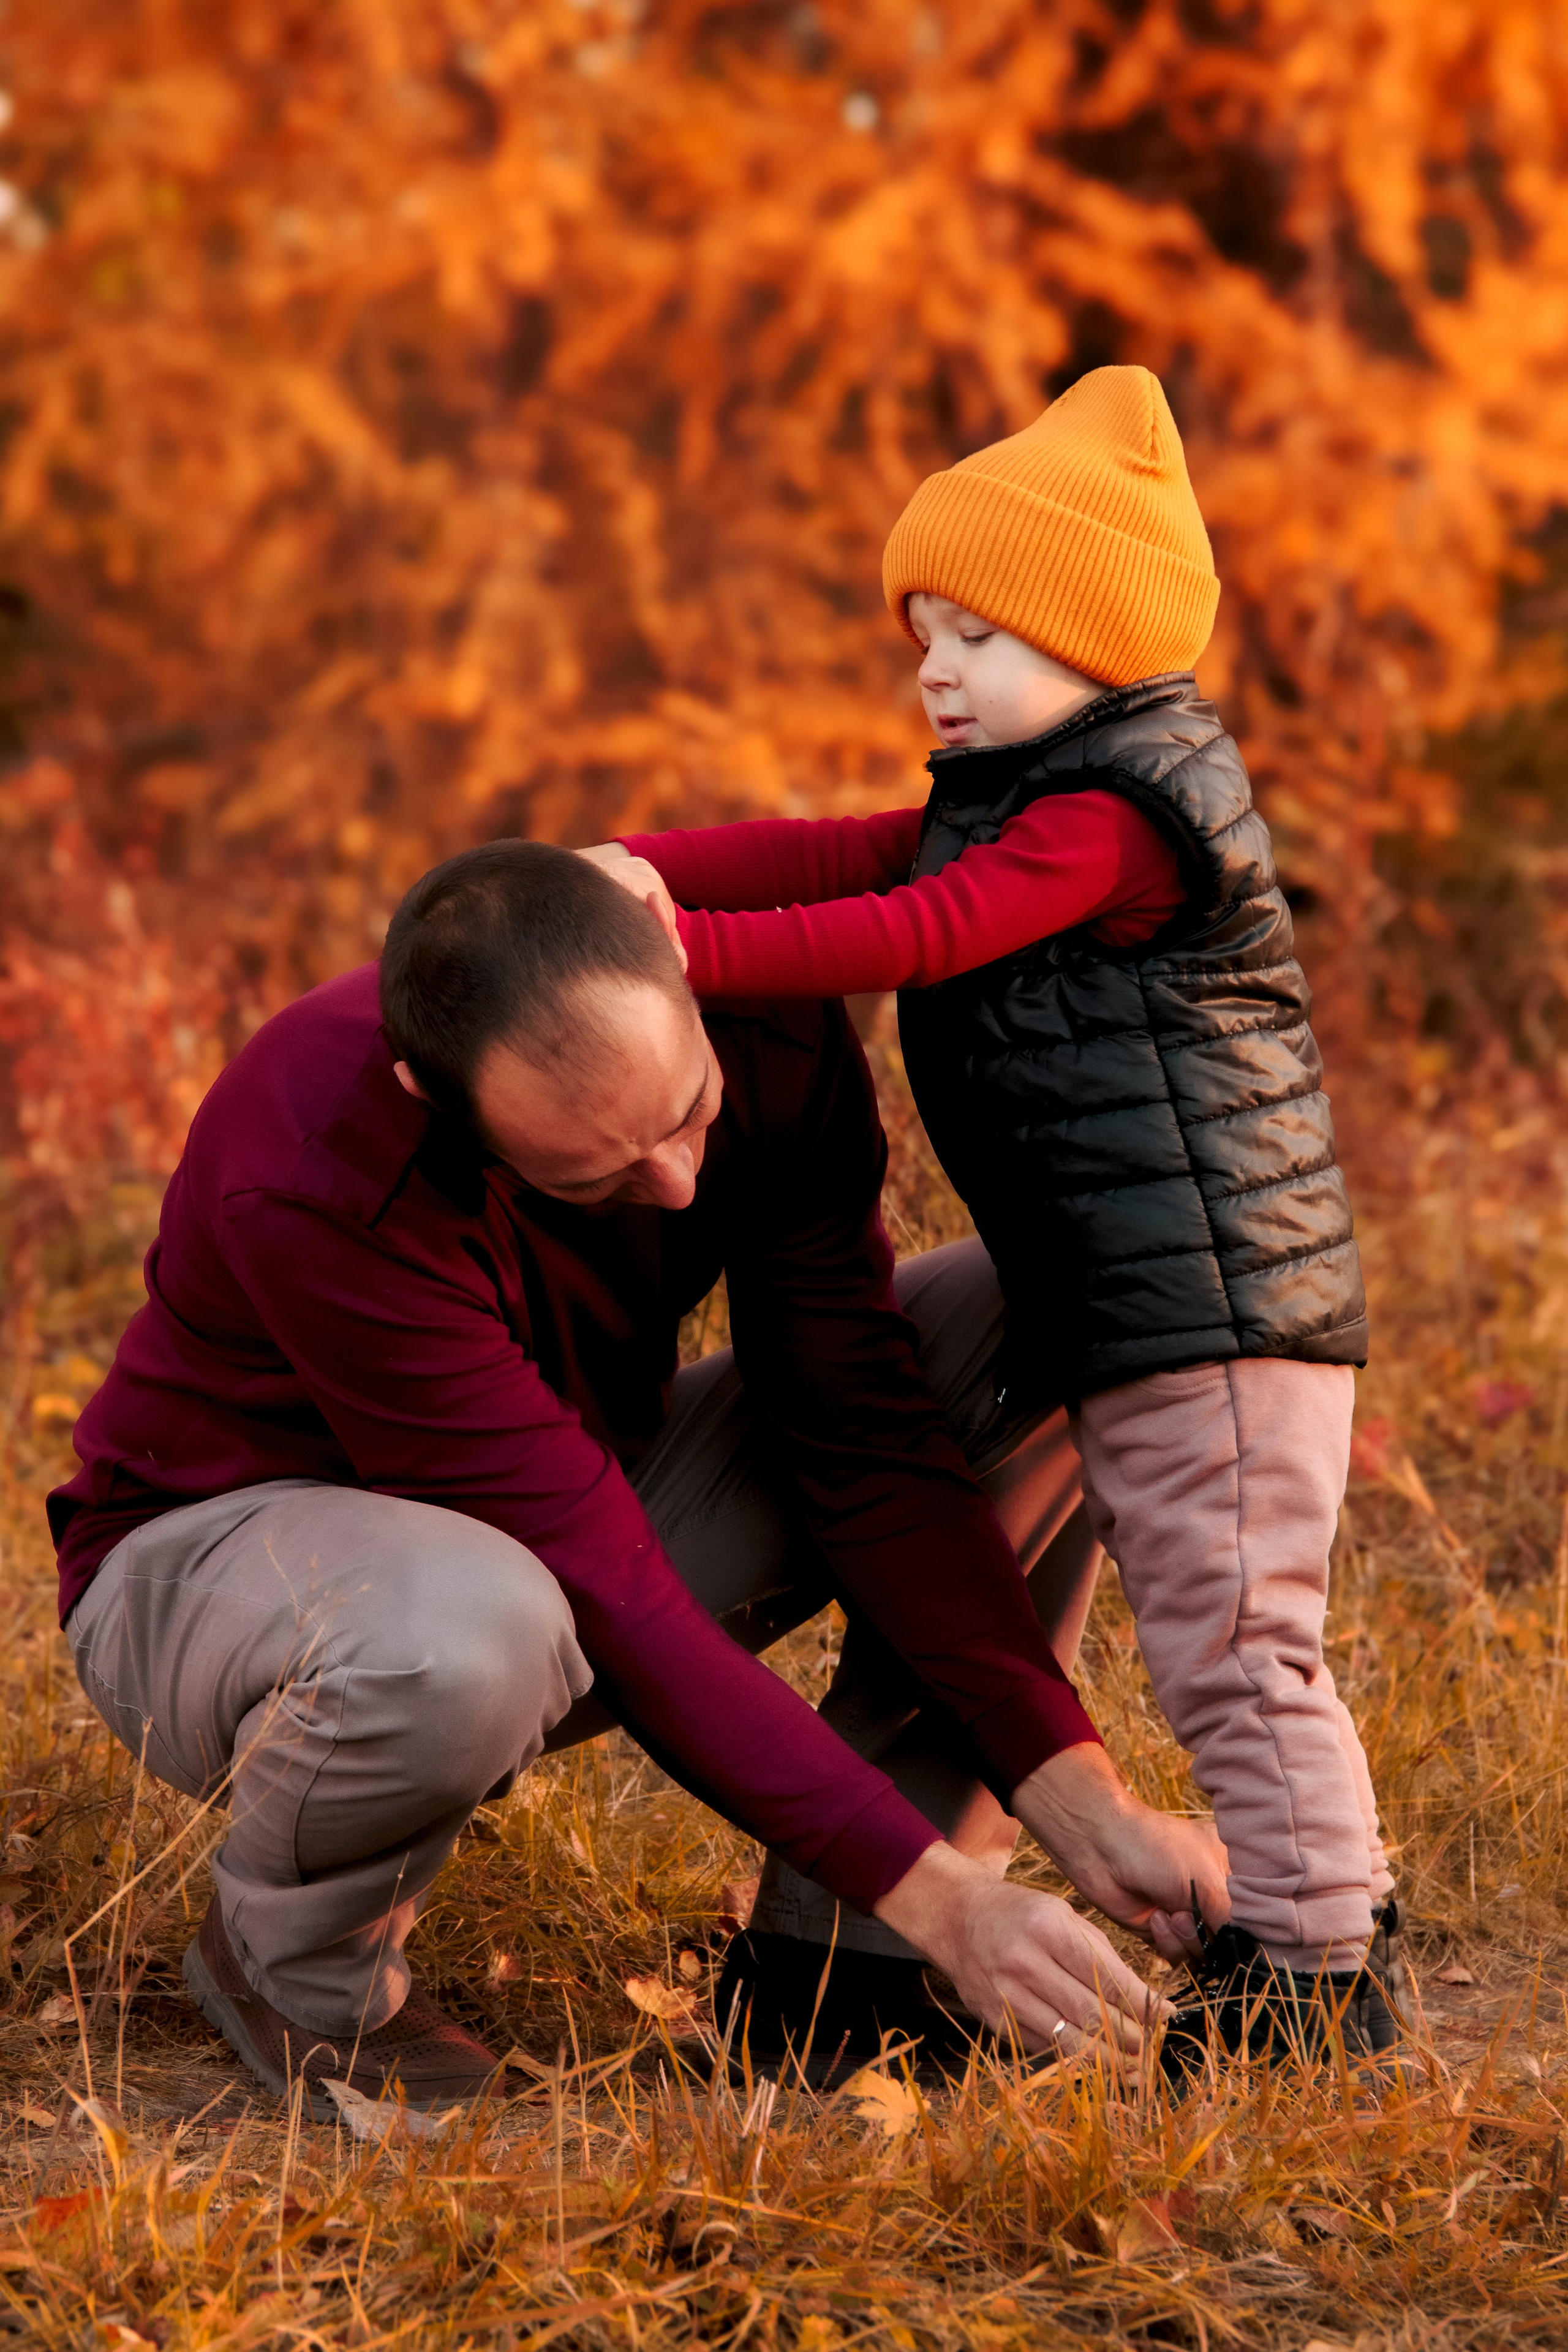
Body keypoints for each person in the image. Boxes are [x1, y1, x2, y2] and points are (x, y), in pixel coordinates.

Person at [48, 840, 1226, 2118]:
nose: (674, 1184)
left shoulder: (757, 1012)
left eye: (689, 1115)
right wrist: (947, 1900)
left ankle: (850, 1965)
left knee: (1040, 1316)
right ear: (436, 1102)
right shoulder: (321, 1155)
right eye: (592, 1173)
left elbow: (866, 1438)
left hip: (544, 1509)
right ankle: (296, 1968)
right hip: (221, 1581)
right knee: (473, 1628)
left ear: (680, 965)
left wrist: (1074, 1792)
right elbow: (604, 1584)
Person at [589, 366, 1401, 2070]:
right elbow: (835, 851)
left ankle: (1319, 1981)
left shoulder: (1113, 820)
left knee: (1239, 1648)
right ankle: (865, 1971)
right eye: (922, 636)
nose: (933, 671)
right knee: (1092, 1595)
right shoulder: (1030, 788)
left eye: (978, 637)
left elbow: (919, 926)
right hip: (1124, 1303)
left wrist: (683, 959)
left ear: (1104, 646)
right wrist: (625, 870)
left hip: (1214, 1317)